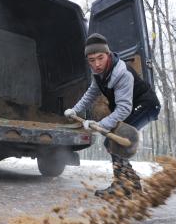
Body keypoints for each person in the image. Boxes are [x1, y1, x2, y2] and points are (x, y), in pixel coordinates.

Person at [64, 33, 160, 198]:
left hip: (146, 106)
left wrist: (98, 125)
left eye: (100, 58)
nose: (97, 64)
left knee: (114, 139)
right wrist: (75, 110)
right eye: (92, 60)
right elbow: (90, 94)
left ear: (108, 55)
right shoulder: (99, 75)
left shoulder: (121, 73)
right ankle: (131, 184)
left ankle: (123, 185)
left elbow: (123, 109)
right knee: (113, 141)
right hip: (131, 107)